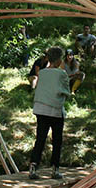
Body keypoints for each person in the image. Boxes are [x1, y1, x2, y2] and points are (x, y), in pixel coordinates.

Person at [29, 46, 70, 180]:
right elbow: (65, 91)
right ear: (59, 60)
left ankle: (33, 167)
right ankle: (55, 169)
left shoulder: (42, 72)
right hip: (55, 110)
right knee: (56, 140)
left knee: (40, 138)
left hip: (40, 109)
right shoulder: (62, 73)